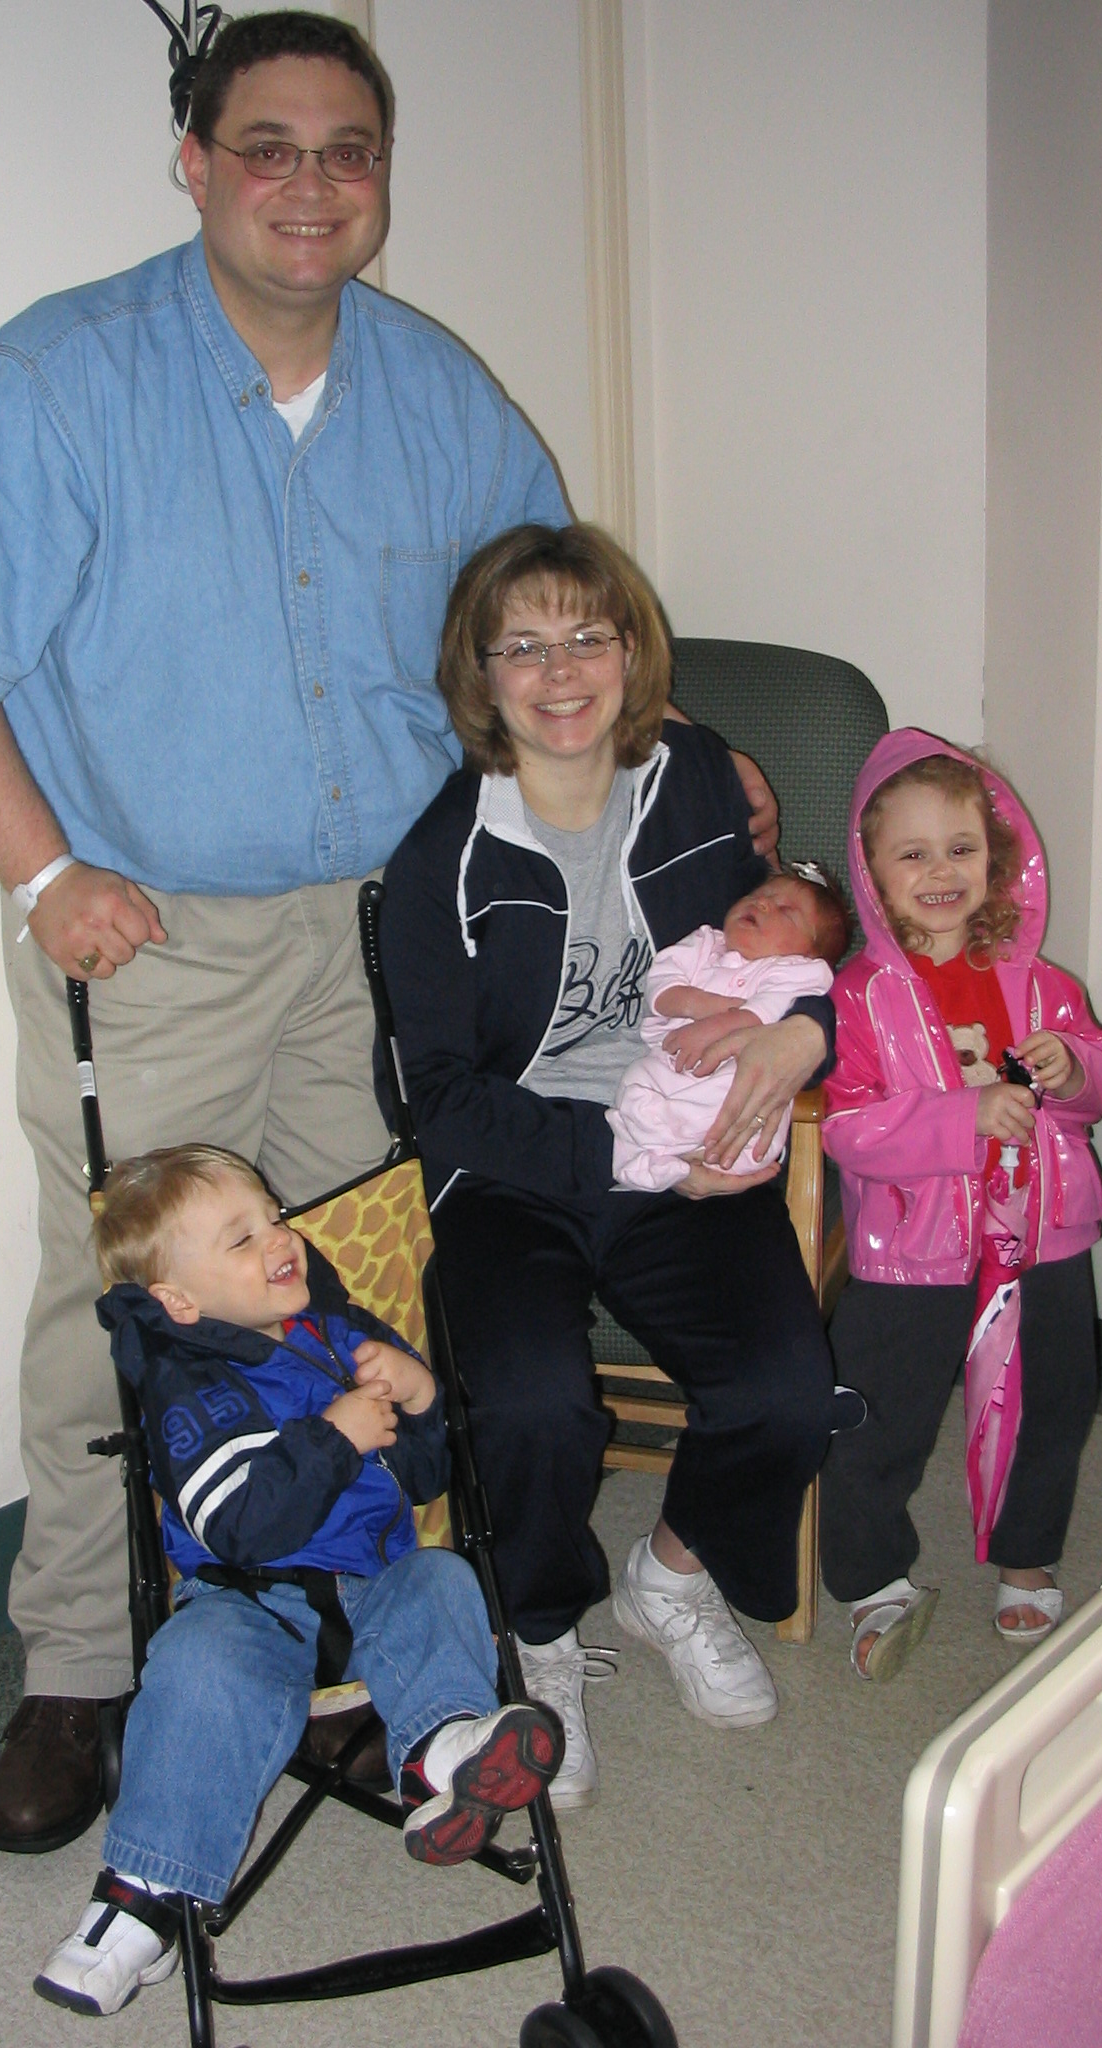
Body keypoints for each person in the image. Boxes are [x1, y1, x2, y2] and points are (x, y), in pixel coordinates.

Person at [0, 11, 779, 1849]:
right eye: (264, 145)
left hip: (388, 936)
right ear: (192, 161)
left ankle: (361, 1658)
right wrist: (44, 878)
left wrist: (689, 746)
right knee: (125, 1306)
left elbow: (553, 627)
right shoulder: (58, 380)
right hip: (155, 946)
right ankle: (81, 1664)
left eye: (346, 149)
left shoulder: (439, 391)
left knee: (357, 1291)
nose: (308, 183)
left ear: (381, 175)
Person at [379, 523, 857, 1808]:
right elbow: (435, 1097)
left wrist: (809, 1028)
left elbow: (799, 941)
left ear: (633, 653)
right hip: (519, 1166)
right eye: (523, 645)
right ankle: (541, 1632)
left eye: (588, 635)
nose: (561, 670)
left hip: (687, 1141)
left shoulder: (697, 779)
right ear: (481, 674)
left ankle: (672, 1579)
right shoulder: (441, 857)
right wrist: (628, 1153)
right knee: (533, 1402)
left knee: (786, 1392)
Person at [34, 1143, 562, 2017]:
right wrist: (334, 1436)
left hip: (377, 1588)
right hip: (253, 1600)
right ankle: (141, 1898)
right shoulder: (189, 1386)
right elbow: (239, 1524)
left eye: (273, 1218)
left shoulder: (343, 1333)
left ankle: (443, 1755)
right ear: (179, 1301)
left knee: (444, 1580)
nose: (280, 1239)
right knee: (195, 1664)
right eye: (241, 1239)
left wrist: (421, 1398)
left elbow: (426, 1481)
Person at [820, 733, 1102, 1680]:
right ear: (872, 872)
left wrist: (1076, 1069)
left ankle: (1027, 1552)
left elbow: (1100, 1076)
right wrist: (964, 1118)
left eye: (961, 848)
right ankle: (872, 1575)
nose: (940, 871)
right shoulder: (860, 996)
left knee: (1056, 1395)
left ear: (996, 858)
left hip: (1043, 1231)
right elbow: (849, 1127)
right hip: (911, 1245)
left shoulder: (1044, 984)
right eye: (912, 853)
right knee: (880, 1409)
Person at [608, 869, 851, 1191]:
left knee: (738, 1097)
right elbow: (661, 986)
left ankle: (664, 1142)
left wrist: (718, 1025)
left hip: (738, 1073)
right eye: (757, 895)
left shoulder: (800, 971)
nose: (762, 904)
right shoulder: (704, 942)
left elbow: (766, 1010)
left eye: (785, 910)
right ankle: (650, 1158)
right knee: (636, 1077)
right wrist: (701, 1005)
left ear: (810, 952)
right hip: (672, 1062)